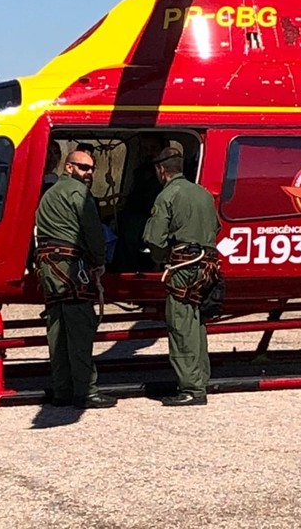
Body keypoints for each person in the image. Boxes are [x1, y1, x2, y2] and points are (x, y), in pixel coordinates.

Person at [34, 150, 117, 409]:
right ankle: (85, 391)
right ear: (69, 167)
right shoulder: (78, 193)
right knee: (80, 331)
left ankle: (63, 390)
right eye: (83, 167)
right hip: (71, 268)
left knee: (58, 331)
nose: (89, 172)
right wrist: (100, 261)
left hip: (49, 268)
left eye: (91, 168)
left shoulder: (49, 194)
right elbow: (92, 232)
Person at [142, 146, 222, 406]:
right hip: (208, 267)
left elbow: (154, 239)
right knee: (196, 324)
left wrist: (162, 257)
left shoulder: (167, 195)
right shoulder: (203, 193)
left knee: (181, 326)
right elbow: (216, 227)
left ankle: (191, 388)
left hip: (183, 267)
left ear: (161, 170)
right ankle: (201, 379)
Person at [115, 133, 168, 272]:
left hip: (151, 219)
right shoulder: (141, 171)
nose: (149, 153)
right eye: (146, 149)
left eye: (154, 148)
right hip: (135, 217)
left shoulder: (165, 177)